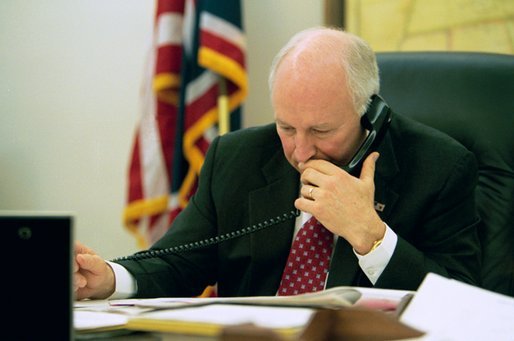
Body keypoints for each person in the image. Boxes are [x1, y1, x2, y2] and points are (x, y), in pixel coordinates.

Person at [74, 27, 481, 300]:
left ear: (369, 113)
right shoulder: (235, 157)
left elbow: (462, 306)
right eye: (287, 127)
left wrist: (371, 237)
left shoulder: (440, 167)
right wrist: (108, 278)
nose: (301, 152)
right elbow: (179, 261)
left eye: (321, 131)